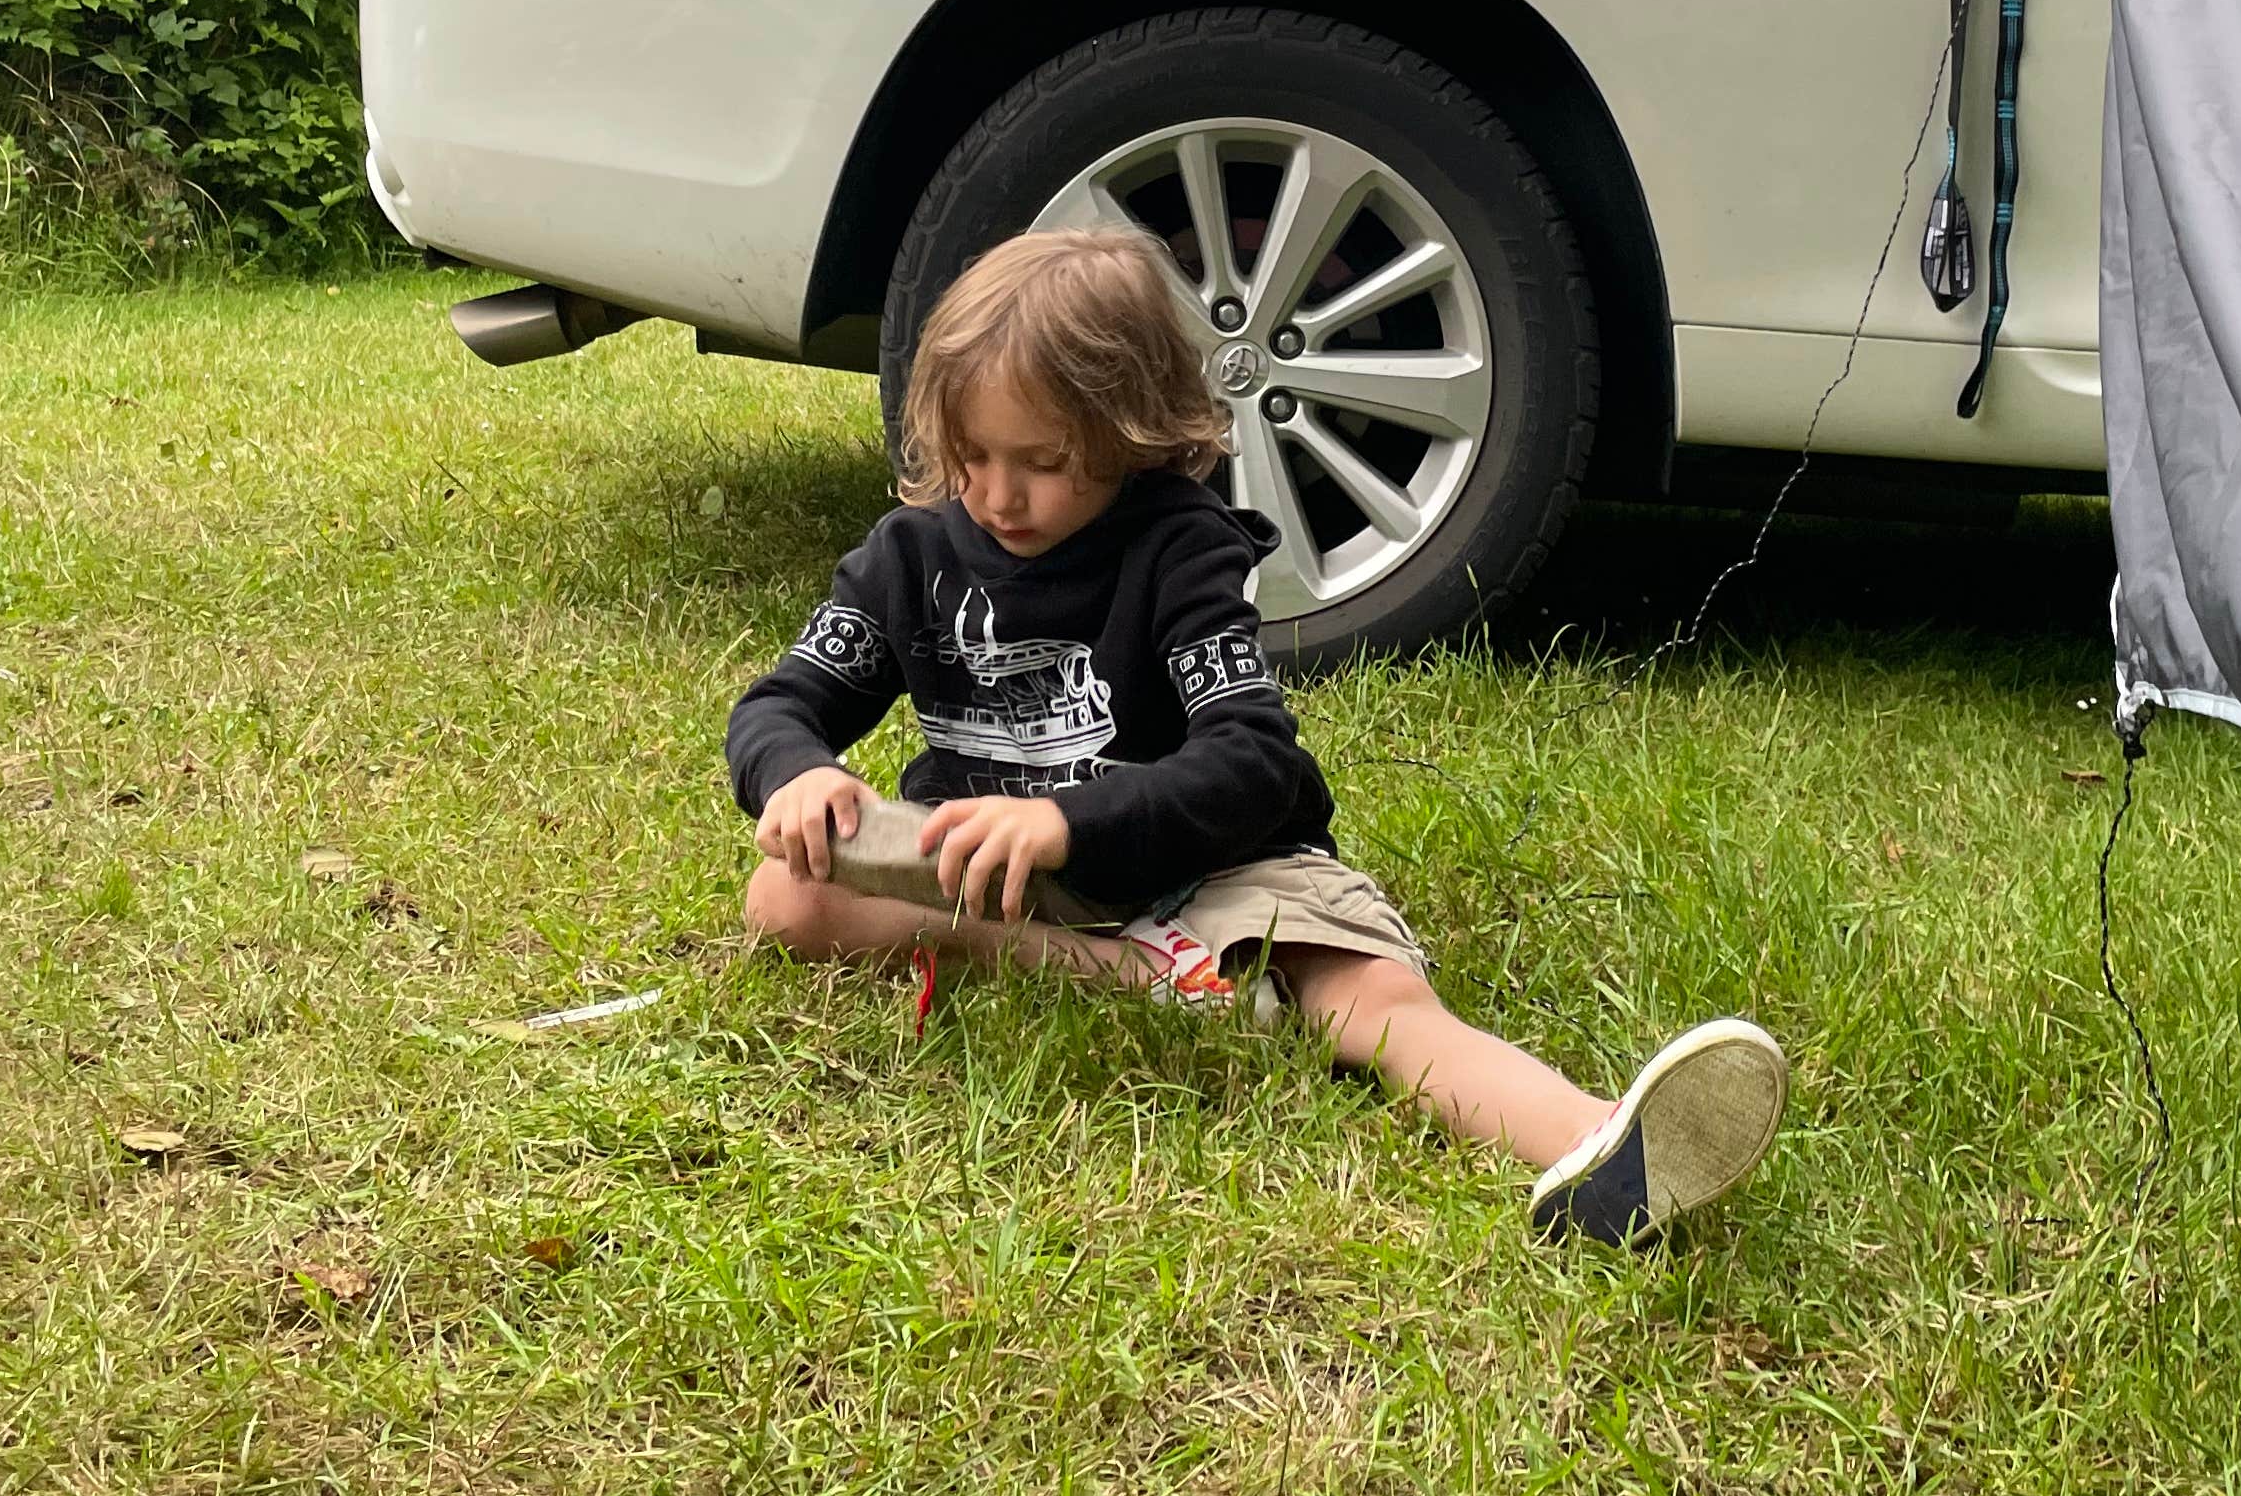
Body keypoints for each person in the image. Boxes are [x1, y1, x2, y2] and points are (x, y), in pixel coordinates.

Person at [728, 226, 1788, 1244]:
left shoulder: (1182, 549)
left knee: (1373, 1002)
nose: (997, 494)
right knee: (786, 892)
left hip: (1215, 865)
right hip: (1007, 874)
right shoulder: (908, 556)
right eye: (970, 455)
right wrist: (802, 772)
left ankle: (1602, 1147)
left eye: (1042, 462)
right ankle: (1144, 976)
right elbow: (779, 706)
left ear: (1129, 433)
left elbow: (1252, 762)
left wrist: (1062, 821)